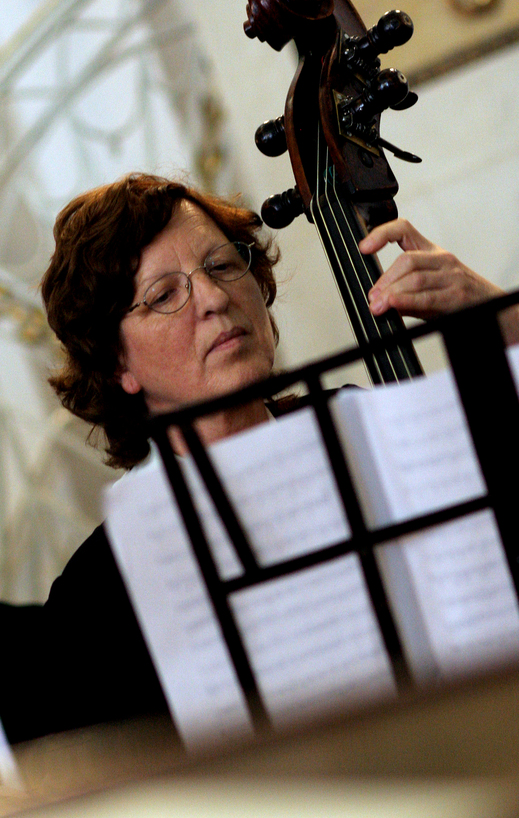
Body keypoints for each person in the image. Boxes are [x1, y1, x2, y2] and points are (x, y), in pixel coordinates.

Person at [0, 173, 516, 745]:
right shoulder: (106, 588)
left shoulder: (368, 429)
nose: (215, 298)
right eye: (164, 296)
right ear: (117, 363)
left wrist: (502, 320)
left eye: (223, 266)